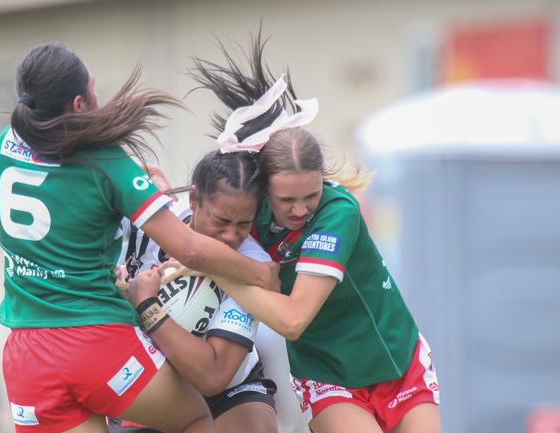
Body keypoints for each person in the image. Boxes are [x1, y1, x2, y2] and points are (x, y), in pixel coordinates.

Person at [0, 42, 277, 433]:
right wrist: (260, 274)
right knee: (197, 416)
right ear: (79, 104)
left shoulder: (5, 144)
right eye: (93, 86)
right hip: (94, 342)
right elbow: (190, 248)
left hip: (26, 358)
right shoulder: (107, 160)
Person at [177, 32, 442, 433]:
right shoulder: (250, 213)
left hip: (396, 359)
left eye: (310, 195)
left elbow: (294, 319)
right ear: (265, 191)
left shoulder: (338, 212)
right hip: (327, 375)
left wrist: (214, 268)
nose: (301, 210)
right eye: (287, 201)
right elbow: (199, 220)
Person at [111, 149, 279, 433]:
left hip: (228, 389)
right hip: (151, 380)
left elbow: (214, 375)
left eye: (243, 225)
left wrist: (147, 306)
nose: (230, 236)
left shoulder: (254, 266)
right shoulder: (151, 217)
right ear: (193, 198)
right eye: (221, 221)